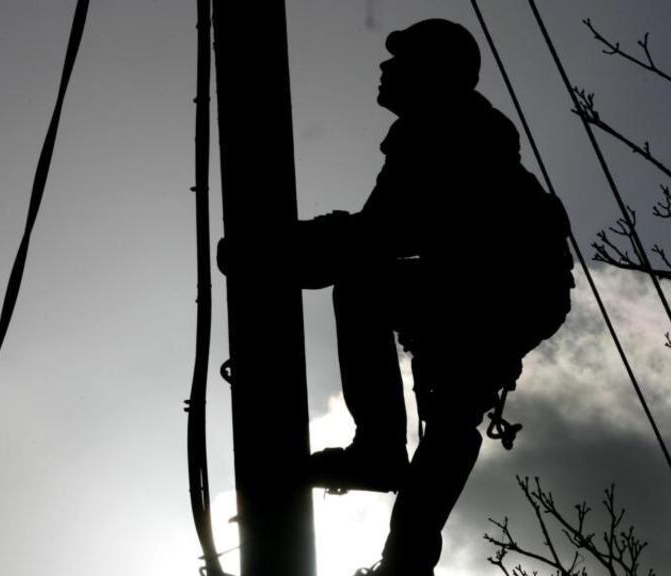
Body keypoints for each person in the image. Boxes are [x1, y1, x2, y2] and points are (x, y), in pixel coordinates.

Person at [223, 18, 573, 576]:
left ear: (434, 72)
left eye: (400, 61)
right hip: (505, 290)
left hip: (504, 289)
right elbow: (378, 232)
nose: (384, 70)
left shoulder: (447, 129)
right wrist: (306, 249)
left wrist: (282, 250)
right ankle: (405, 560)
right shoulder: (440, 127)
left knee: (367, 296)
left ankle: (381, 453)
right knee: (450, 419)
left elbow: (379, 235)